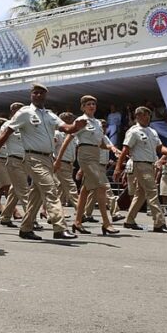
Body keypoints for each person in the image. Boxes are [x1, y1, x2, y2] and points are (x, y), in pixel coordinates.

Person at [0, 83, 84, 241]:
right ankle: (59, 227)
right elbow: (6, 132)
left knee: (36, 195)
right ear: (31, 95)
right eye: (35, 93)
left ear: (46, 96)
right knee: (50, 188)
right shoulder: (25, 113)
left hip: (48, 158)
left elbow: (65, 128)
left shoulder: (49, 115)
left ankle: (26, 228)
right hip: (32, 158)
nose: (38, 95)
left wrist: (75, 126)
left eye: (41, 93)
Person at [56, 96, 117, 235]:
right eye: (88, 104)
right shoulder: (80, 121)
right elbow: (68, 138)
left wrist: (112, 148)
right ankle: (106, 223)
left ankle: (77, 222)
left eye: (93, 104)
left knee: (85, 190)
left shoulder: (97, 123)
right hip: (85, 155)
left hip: (96, 154)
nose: (91, 106)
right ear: (83, 107)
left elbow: (101, 143)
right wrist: (58, 159)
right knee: (101, 186)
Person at [113, 106, 167, 233]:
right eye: (144, 115)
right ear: (138, 116)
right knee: (152, 192)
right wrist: (118, 167)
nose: (147, 118)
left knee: (140, 194)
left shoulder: (152, 131)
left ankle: (129, 220)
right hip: (140, 164)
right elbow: (125, 150)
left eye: (148, 115)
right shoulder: (133, 131)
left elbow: (159, 147)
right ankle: (159, 222)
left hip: (151, 164)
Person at [53, 112, 79, 209]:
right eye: (69, 119)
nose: (72, 121)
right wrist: (56, 161)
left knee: (61, 188)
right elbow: (52, 148)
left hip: (70, 163)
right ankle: (80, 210)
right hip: (61, 162)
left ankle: (55, 211)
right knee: (71, 186)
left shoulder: (73, 135)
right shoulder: (57, 133)